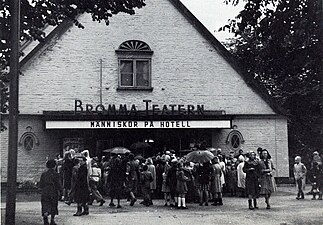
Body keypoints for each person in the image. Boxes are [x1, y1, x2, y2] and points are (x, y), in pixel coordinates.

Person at [39, 159, 62, 225]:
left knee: (45, 204)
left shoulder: (43, 174)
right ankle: (52, 220)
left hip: (45, 191)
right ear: (55, 166)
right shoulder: (56, 174)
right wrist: (61, 191)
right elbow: (59, 184)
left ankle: (45, 218)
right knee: (53, 205)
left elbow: (41, 184)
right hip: (53, 191)